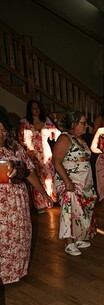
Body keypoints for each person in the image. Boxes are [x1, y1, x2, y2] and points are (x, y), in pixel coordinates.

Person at [0, 110, 51, 287]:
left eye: (3, 130)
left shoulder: (16, 148)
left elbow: (29, 172)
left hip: (17, 201)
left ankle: (15, 272)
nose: (1, 135)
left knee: (19, 235)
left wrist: (43, 192)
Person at [52, 110, 97, 256]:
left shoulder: (80, 139)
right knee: (69, 211)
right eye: (83, 123)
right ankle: (69, 242)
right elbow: (56, 162)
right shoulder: (64, 138)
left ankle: (77, 238)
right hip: (70, 181)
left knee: (81, 211)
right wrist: (67, 182)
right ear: (73, 124)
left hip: (83, 182)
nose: (86, 126)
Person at [19, 99, 58, 211]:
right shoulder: (24, 122)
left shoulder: (47, 121)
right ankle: (39, 204)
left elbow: (56, 135)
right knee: (36, 177)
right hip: (31, 154)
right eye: (33, 108)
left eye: (37, 108)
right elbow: (20, 139)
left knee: (49, 176)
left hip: (46, 153)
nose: (36, 110)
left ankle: (51, 200)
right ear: (29, 110)